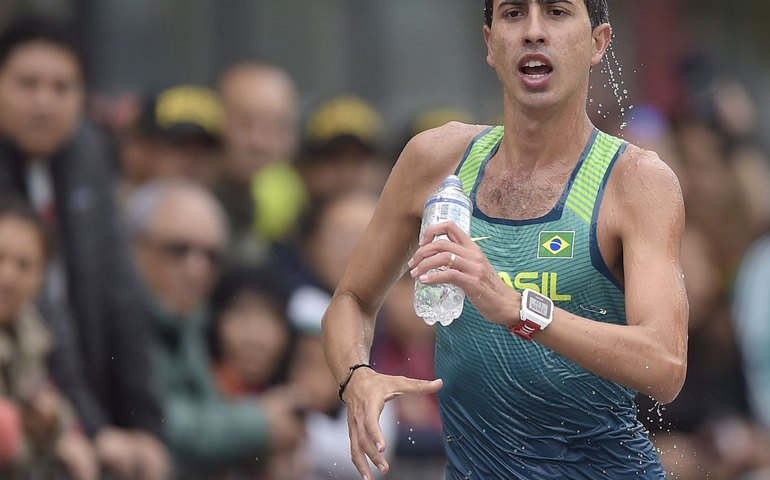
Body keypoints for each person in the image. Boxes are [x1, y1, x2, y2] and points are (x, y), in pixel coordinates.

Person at [321, 1, 689, 479]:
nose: (534, 32)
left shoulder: (637, 181)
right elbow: (351, 298)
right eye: (514, 13)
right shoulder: (433, 160)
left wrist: (520, 309)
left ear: (598, 43)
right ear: (490, 44)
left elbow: (665, 365)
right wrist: (356, 377)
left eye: (556, 12)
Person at [0, 16, 169, 479]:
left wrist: (145, 426)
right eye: (27, 83)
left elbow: (122, 297)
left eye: (61, 87)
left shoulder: (88, 155)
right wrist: (92, 431)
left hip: (86, 416)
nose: (44, 101)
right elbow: (40, 307)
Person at [124, 180, 305, 478]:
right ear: (136, 247)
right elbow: (152, 415)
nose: (196, 269)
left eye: (211, 256)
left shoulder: (194, 320)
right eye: (178, 250)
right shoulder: (115, 319)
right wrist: (258, 424)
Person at [0, 197, 98, 480]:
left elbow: (50, 401)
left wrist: (53, 424)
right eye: (0, 257)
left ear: (41, 278)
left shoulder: (34, 333)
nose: (8, 276)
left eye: (24, 266)